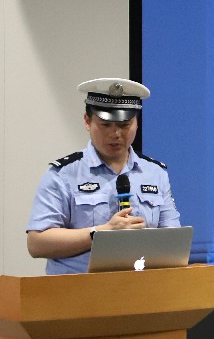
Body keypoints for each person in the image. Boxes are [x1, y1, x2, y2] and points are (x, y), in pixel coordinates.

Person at [27, 77, 181, 274]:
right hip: (79, 288)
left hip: (142, 287)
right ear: (87, 121)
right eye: (106, 124)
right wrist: (100, 233)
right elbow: (37, 243)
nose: (115, 134)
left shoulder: (155, 173)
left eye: (124, 125)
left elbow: (173, 240)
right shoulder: (63, 174)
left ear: (136, 123)